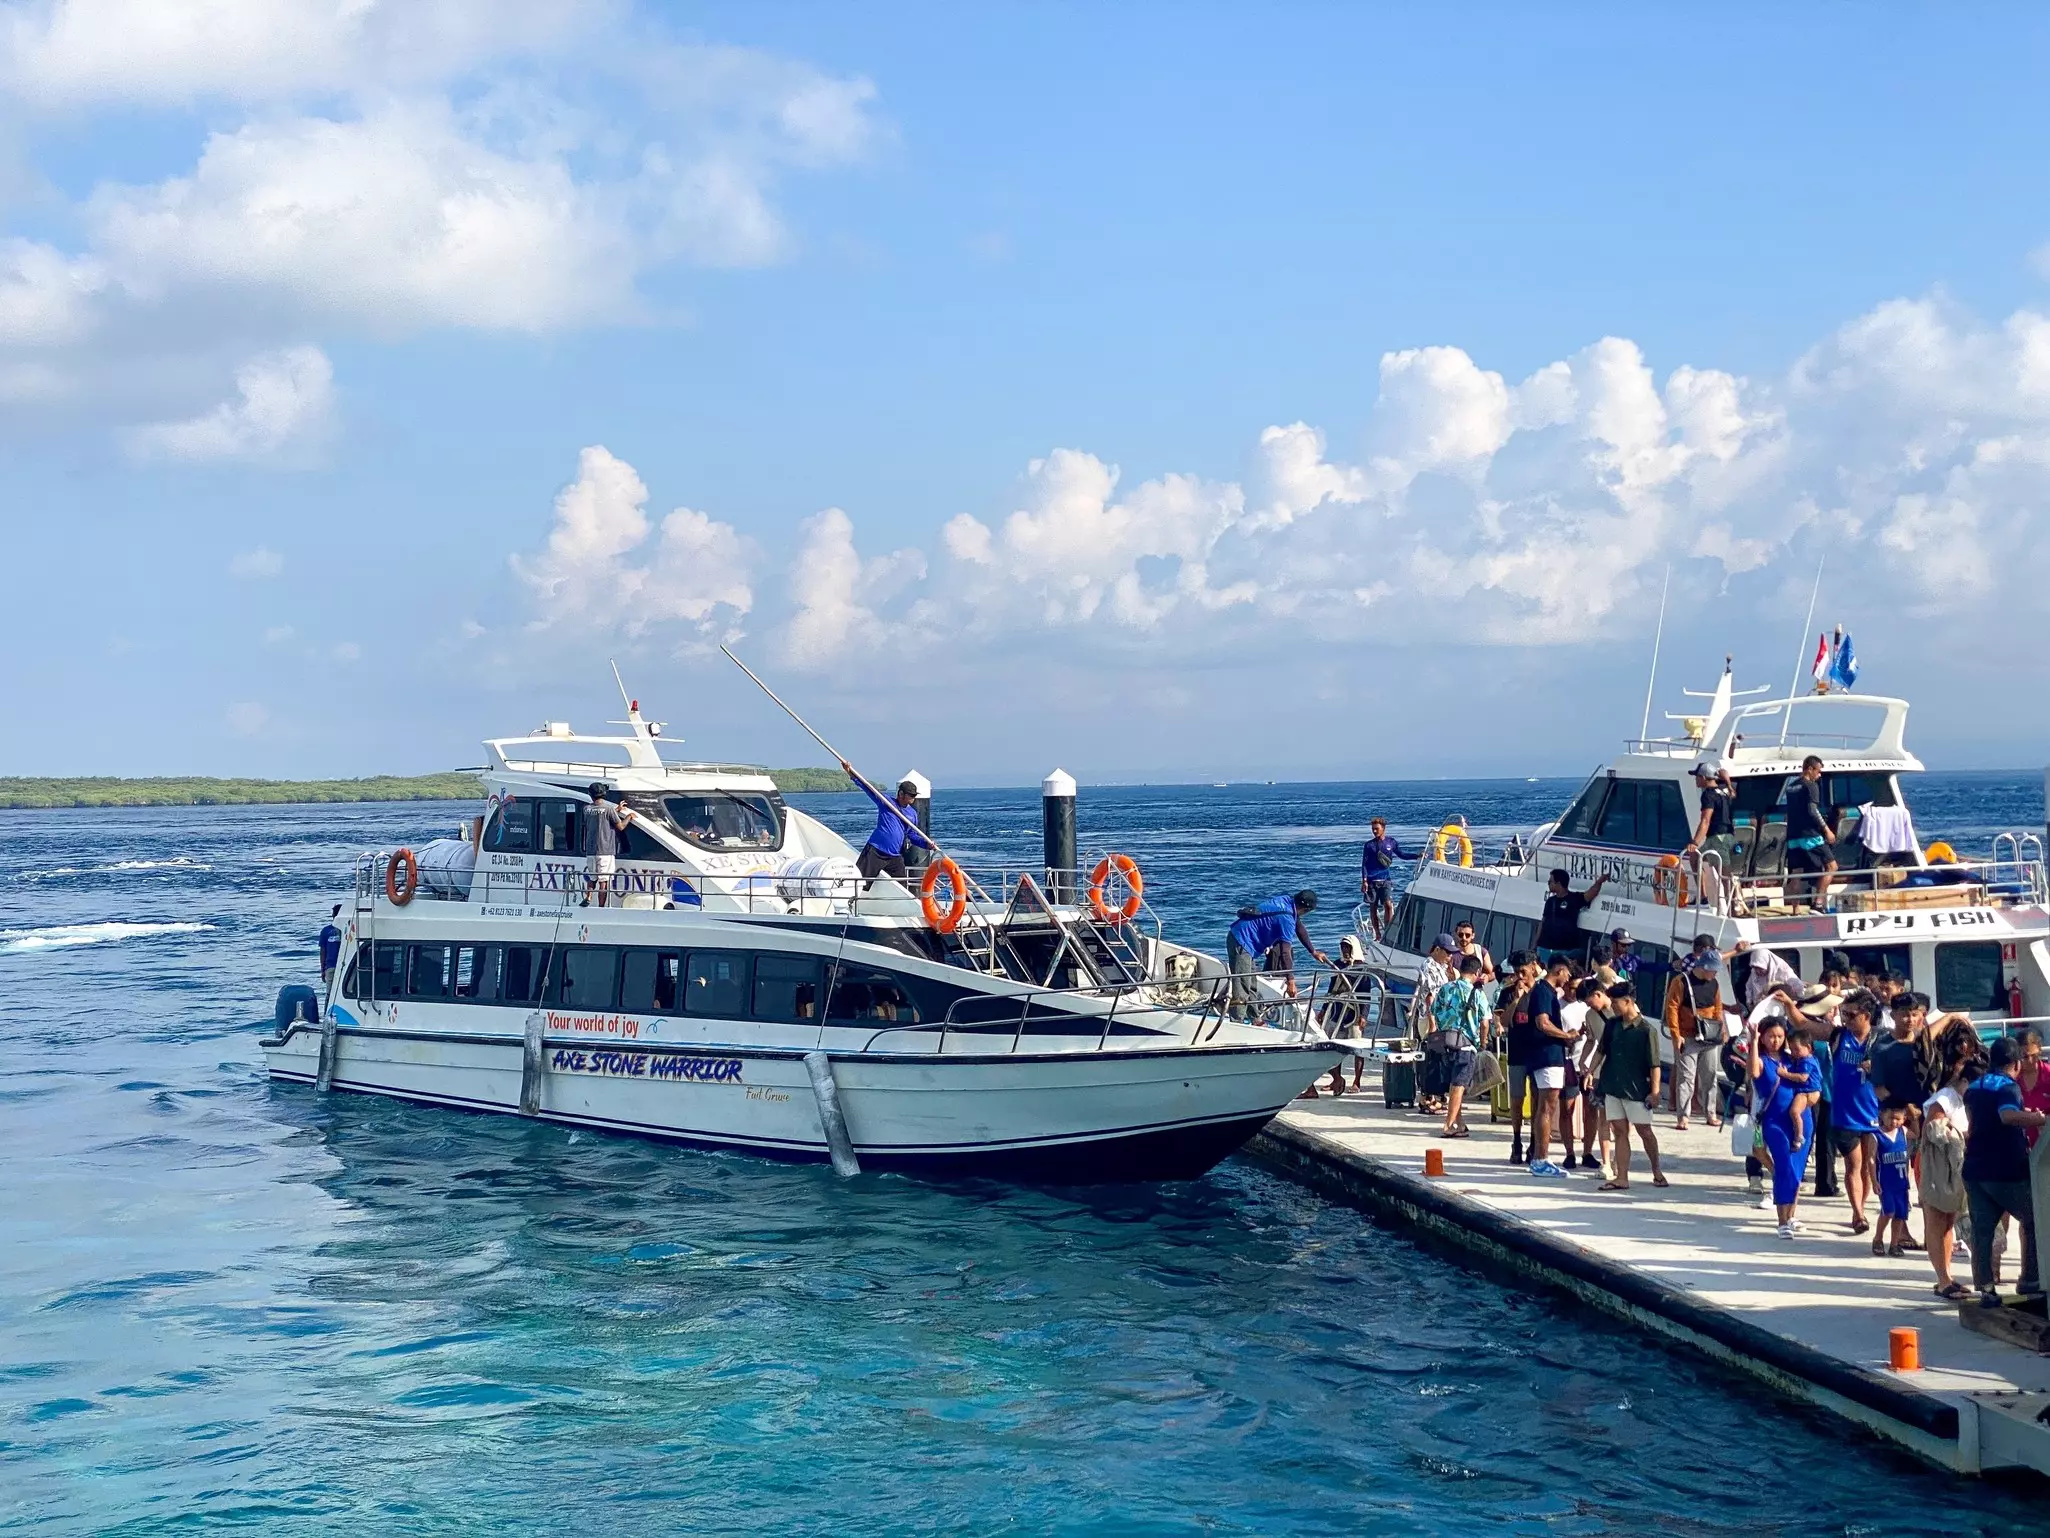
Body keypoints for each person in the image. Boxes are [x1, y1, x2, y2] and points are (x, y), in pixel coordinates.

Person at [1962, 1037, 2047, 1307]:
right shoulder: (2009, 1087)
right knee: (2035, 1219)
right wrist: (2037, 1118)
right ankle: (2032, 1280)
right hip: (2006, 1170)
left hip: (1975, 1168)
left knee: (1983, 1231)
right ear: (2016, 1063)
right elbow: (2007, 1116)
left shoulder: (1975, 1086)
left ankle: (1986, 1289)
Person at [1590, 981, 1666, 1191]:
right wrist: (1589, 1071)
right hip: (1612, 1085)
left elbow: (1655, 1065)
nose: (1612, 1006)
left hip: (1637, 1089)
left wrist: (1655, 1092)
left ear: (1628, 1001)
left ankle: (1657, 1170)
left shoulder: (1646, 1030)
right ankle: (1622, 1177)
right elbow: (1601, 1051)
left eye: (1615, 1002)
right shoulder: (1612, 1025)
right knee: (1619, 1131)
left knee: (1645, 1131)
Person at [1827, 991, 1883, 1238]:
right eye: (1843, 1014)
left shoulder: (1881, 1040)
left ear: (1867, 1016)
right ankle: (1858, 1212)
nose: (1846, 1019)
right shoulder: (1840, 1036)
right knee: (1853, 1164)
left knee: (1868, 1168)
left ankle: (1860, 1204)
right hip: (1845, 1113)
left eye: (1851, 1015)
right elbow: (1804, 1025)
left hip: (1873, 1114)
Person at [1752, 1019, 1811, 1239]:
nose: (1775, 1040)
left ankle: (1791, 1215)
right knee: (1784, 1166)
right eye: (1770, 1036)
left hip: (1800, 1121)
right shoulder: (1761, 1061)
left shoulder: (1793, 1059)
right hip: (1775, 1121)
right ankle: (1781, 1220)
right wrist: (1753, 1041)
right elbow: (1752, 1070)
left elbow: (1811, 1079)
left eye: (1779, 1036)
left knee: (1796, 1171)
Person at [1227, 891, 1329, 1016]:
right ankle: (1238, 1020)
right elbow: (1284, 952)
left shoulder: (1286, 901)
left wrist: (1313, 951)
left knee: (1252, 982)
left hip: (1246, 940)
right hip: (1241, 940)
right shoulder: (1286, 919)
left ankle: (1254, 1017)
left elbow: (1299, 927)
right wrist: (1290, 981)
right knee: (1242, 984)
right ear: (1306, 909)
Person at [1525, 955, 1581, 1177]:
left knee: (1543, 1107)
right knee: (1547, 1108)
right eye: (1567, 973)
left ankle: (1539, 1158)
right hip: (1548, 1057)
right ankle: (1541, 1159)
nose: (1568, 978)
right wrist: (1566, 1035)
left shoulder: (1546, 992)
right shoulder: (1544, 991)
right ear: (1559, 970)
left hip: (1548, 1056)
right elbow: (1543, 1022)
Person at [1663, 947, 1726, 1131]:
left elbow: (1718, 1008)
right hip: (1688, 1035)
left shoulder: (1714, 984)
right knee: (1686, 1078)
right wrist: (1676, 1035)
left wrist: (1720, 1029)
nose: (1714, 973)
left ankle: (1711, 1113)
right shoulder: (1681, 981)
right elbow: (1672, 1008)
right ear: (1704, 966)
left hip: (1709, 1036)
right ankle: (1683, 1116)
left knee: (1710, 1076)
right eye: (1713, 969)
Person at [842, 762, 935, 881]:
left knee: (902, 886)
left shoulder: (912, 814)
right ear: (901, 794)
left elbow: (912, 835)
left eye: (914, 795)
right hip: (875, 851)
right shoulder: (886, 802)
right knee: (860, 882)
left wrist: (926, 844)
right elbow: (867, 787)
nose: (913, 798)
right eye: (911, 795)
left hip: (894, 856)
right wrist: (849, 771)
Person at [1918, 1095, 1971, 1300]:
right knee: (1936, 1222)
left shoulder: (1962, 1098)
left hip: (1952, 1169)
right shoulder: (1945, 1098)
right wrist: (1963, 1133)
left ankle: (1947, 1276)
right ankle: (1942, 1281)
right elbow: (1934, 1131)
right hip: (1935, 1167)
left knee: (1948, 1222)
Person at [1432, 954, 1491, 1137]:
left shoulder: (1445, 988)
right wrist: (1483, 1043)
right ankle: (1448, 1125)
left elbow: (1433, 1012)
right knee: (1459, 1085)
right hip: (1466, 1045)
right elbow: (1485, 1022)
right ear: (1477, 972)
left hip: (1445, 1042)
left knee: (1452, 1084)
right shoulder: (1478, 993)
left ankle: (1460, 1123)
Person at [1309, 934, 1372, 1097]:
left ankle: (1356, 1081)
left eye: (1348, 947)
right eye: (1343, 947)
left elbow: (1366, 994)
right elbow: (1332, 988)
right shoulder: (1338, 965)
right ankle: (1336, 1079)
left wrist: (1363, 1015)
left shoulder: (1362, 968)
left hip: (1354, 1013)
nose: (1345, 950)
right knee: (1329, 1046)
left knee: (1357, 1048)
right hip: (1337, 1011)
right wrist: (1323, 1010)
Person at [1499, 952, 1539, 1165]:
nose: (1519, 976)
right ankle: (1516, 1140)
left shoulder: (1541, 992)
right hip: (1516, 1051)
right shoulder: (1508, 992)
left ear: (1533, 967)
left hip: (1536, 1052)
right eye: (1516, 972)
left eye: (1523, 971)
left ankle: (1534, 1141)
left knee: (1536, 1097)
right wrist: (1515, 1000)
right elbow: (1504, 1021)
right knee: (1516, 1097)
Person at [1784, 754, 1838, 911]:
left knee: (1796, 874)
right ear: (1810, 769)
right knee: (1832, 866)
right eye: (1818, 771)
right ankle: (1818, 903)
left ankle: (1795, 910)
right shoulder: (1811, 786)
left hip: (1793, 836)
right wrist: (1827, 830)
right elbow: (1812, 811)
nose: (1819, 775)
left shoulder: (1791, 786)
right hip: (1810, 835)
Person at [1567, 976, 1609, 1171]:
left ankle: (1608, 1159)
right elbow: (1592, 1041)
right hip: (1599, 1070)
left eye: (1589, 1001)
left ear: (1597, 994)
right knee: (1597, 1113)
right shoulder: (1591, 1016)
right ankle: (1593, 1155)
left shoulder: (1621, 1010)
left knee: (1615, 1119)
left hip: (1619, 1070)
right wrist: (1585, 1062)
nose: (1588, 1006)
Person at [1684, 763, 1739, 903]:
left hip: (1716, 840)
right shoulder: (1723, 791)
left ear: (1703, 778)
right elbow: (1733, 794)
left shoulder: (1707, 795)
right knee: (1695, 858)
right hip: (1729, 837)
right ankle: (1702, 897)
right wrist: (1727, 780)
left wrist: (1694, 842)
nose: (1696, 779)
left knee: (1725, 876)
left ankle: (1731, 908)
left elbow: (1705, 820)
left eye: (1697, 777)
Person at [1359, 818, 1418, 939]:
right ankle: (1378, 934)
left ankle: (1388, 931)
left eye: (1377, 829)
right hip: (1371, 881)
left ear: (1383, 829)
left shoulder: (1391, 842)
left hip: (1385, 879)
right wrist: (1364, 880)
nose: (1374, 831)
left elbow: (1402, 855)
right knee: (1373, 908)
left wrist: (1416, 856)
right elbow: (1364, 864)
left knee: (1388, 905)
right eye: (1373, 829)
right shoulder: (1369, 845)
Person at [1872, 1104, 1917, 1257]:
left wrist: (1914, 1115)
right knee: (1888, 1211)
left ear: (1904, 1119)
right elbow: (1870, 1160)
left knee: (1900, 1214)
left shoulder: (1903, 1132)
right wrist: (1874, 1181)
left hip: (1902, 1182)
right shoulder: (1876, 1135)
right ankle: (1878, 1238)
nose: (1893, 1122)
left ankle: (1894, 1244)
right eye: (1890, 1118)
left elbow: (1917, 1134)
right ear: (1882, 1116)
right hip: (1885, 1182)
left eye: (1898, 1119)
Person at [1536, 868, 1607, 962]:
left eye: (1550, 881)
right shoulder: (1550, 901)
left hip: (1566, 951)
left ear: (1558, 883)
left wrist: (1600, 881)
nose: (1548, 883)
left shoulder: (1574, 899)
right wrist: (1535, 944)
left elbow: (1591, 893)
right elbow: (1542, 923)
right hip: (1545, 948)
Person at [582, 784, 636, 907]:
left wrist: (616, 810)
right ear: (604, 794)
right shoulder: (609, 809)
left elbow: (600, 815)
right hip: (605, 851)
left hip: (590, 851)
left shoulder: (587, 809)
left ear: (590, 795)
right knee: (603, 881)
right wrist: (629, 816)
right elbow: (620, 827)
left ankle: (589, 896)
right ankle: (601, 907)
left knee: (592, 877)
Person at [2014, 1025, 2050, 1147]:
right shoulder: (2011, 1078)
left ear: (2039, 1050)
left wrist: (2043, 1119)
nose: (2029, 1061)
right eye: (2023, 1056)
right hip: (2018, 1146)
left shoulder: (2049, 1074)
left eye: (2033, 1056)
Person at [1449, 919, 1496, 984]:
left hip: (1475, 991)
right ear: (1456, 934)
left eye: (1467, 935)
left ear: (1473, 935)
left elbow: (1492, 973)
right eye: (1461, 935)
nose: (1464, 938)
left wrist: (1487, 977)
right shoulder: (1450, 952)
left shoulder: (1480, 952)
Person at [318, 904, 343, 988]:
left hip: (331, 966)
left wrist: (322, 969)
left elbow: (323, 952)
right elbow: (323, 952)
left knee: (329, 993)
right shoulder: (350, 929)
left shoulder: (326, 931)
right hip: (339, 966)